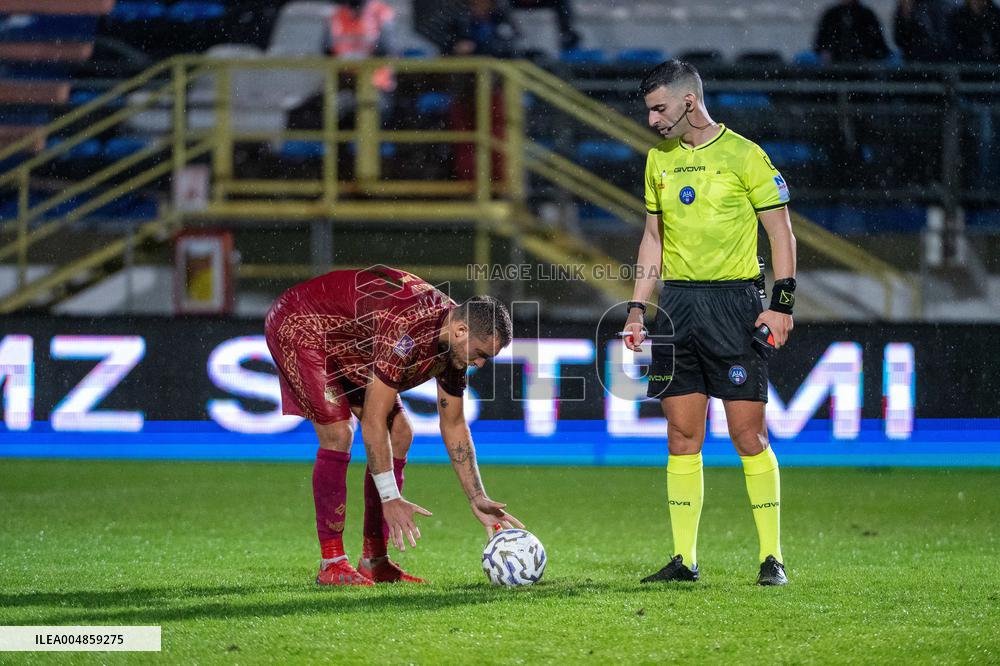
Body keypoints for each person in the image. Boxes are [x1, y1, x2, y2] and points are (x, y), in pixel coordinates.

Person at [622, 60, 797, 586]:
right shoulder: (659, 161)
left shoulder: (746, 155)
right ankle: (684, 560)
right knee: (681, 434)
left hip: (735, 306)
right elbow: (652, 238)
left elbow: (781, 234)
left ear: (688, 102)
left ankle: (772, 557)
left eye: (659, 108)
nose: (652, 120)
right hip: (676, 309)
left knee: (748, 434)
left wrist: (781, 304)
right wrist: (637, 307)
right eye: (649, 110)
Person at [265, 266, 523, 586]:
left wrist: (477, 496)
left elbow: (454, 423)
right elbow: (372, 421)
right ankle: (332, 562)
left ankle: (375, 560)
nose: (481, 363)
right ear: (460, 331)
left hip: (352, 341)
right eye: (482, 354)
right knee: (338, 432)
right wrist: (391, 497)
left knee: (400, 433)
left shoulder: (453, 344)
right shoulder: (406, 329)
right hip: (301, 324)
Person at [814, 0, 892, 63]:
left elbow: (879, 46)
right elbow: (820, 43)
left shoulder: (867, 16)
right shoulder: (830, 15)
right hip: (835, 65)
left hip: (863, 66)